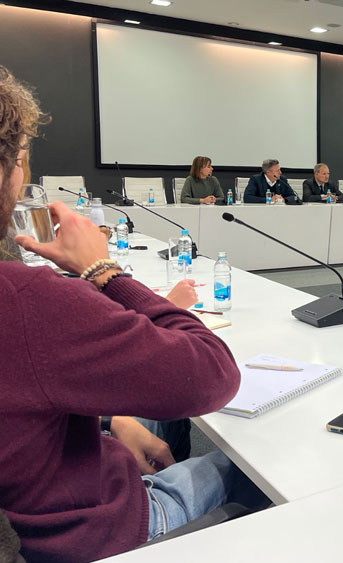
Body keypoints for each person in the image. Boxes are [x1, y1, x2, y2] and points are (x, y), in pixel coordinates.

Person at [0, 66, 266, 562]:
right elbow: (211, 374)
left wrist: (109, 421)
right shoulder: (22, 299)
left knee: (147, 414)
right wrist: (103, 268)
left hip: (45, 496)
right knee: (268, 462)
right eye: (21, 159)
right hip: (101, 527)